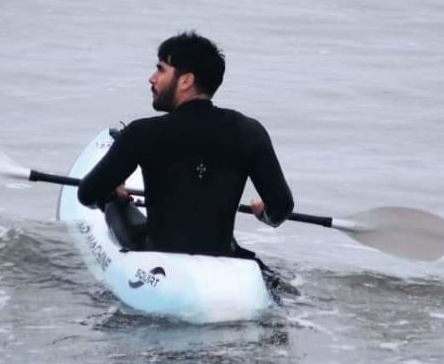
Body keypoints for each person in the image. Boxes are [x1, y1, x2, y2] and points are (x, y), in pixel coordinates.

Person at [77, 31, 294, 258]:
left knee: (111, 199)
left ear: (186, 81)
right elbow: (281, 207)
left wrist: (113, 194)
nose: (152, 78)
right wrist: (264, 214)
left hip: (159, 257)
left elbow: (88, 193)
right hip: (222, 258)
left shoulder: (143, 132)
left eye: (161, 70)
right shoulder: (249, 130)